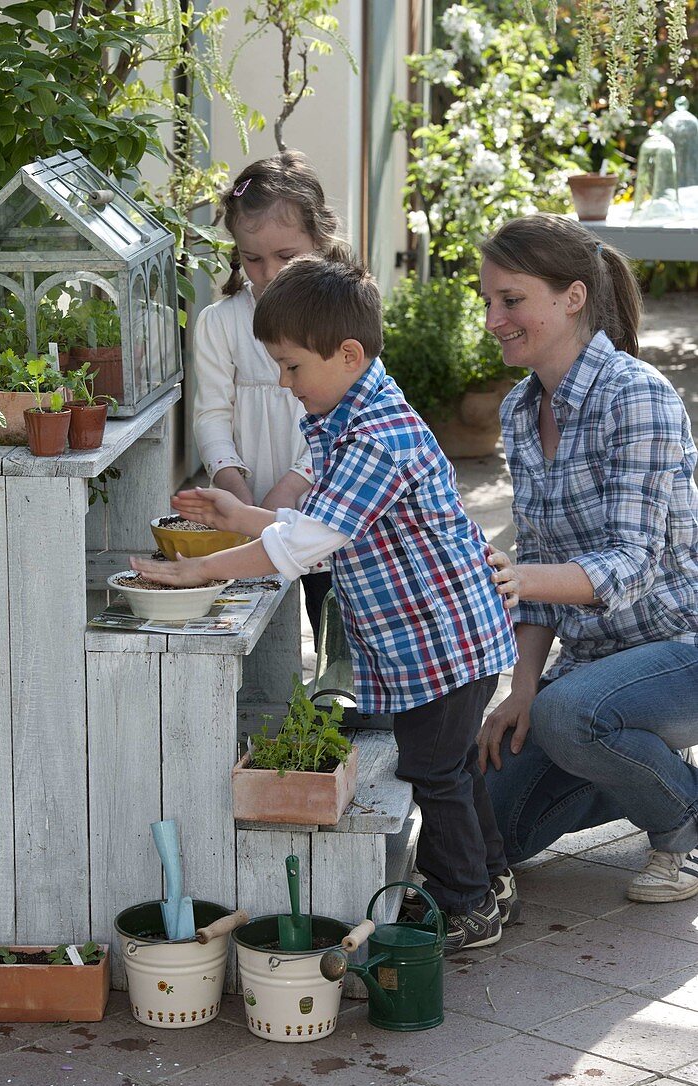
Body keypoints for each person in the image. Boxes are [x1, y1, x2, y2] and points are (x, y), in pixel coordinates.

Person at [132, 255, 521, 948]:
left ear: (346, 354)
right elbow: (316, 524)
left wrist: (202, 573)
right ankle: (490, 880)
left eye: (290, 367)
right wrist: (238, 515)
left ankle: (467, 903)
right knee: (452, 764)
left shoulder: (375, 436)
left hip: (441, 639)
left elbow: (304, 545)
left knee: (433, 768)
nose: (284, 384)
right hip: (445, 636)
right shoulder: (354, 411)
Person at [477, 213, 698, 904]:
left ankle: (683, 829)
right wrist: (519, 690)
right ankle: (648, 772)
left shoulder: (637, 395)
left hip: (680, 647)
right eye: (487, 301)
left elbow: (630, 564)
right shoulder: (520, 410)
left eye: (510, 300)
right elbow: (541, 557)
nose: (493, 319)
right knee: (492, 832)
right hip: (596, 668)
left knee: (569, 716)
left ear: (572, 297)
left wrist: (512, 578)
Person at [193, 151, 342, 645]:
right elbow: (212, 411)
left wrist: (293, 485)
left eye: (287, 256)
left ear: (320, 242)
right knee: (256, 621)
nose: (269, 272)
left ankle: (344, 705)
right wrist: (231, 480)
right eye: (252, 258)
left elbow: (346, 416)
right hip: (249, 493)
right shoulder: (220, 322)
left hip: (325, 497)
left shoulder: (342, 318)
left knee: (333, 615)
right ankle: (272, 708)